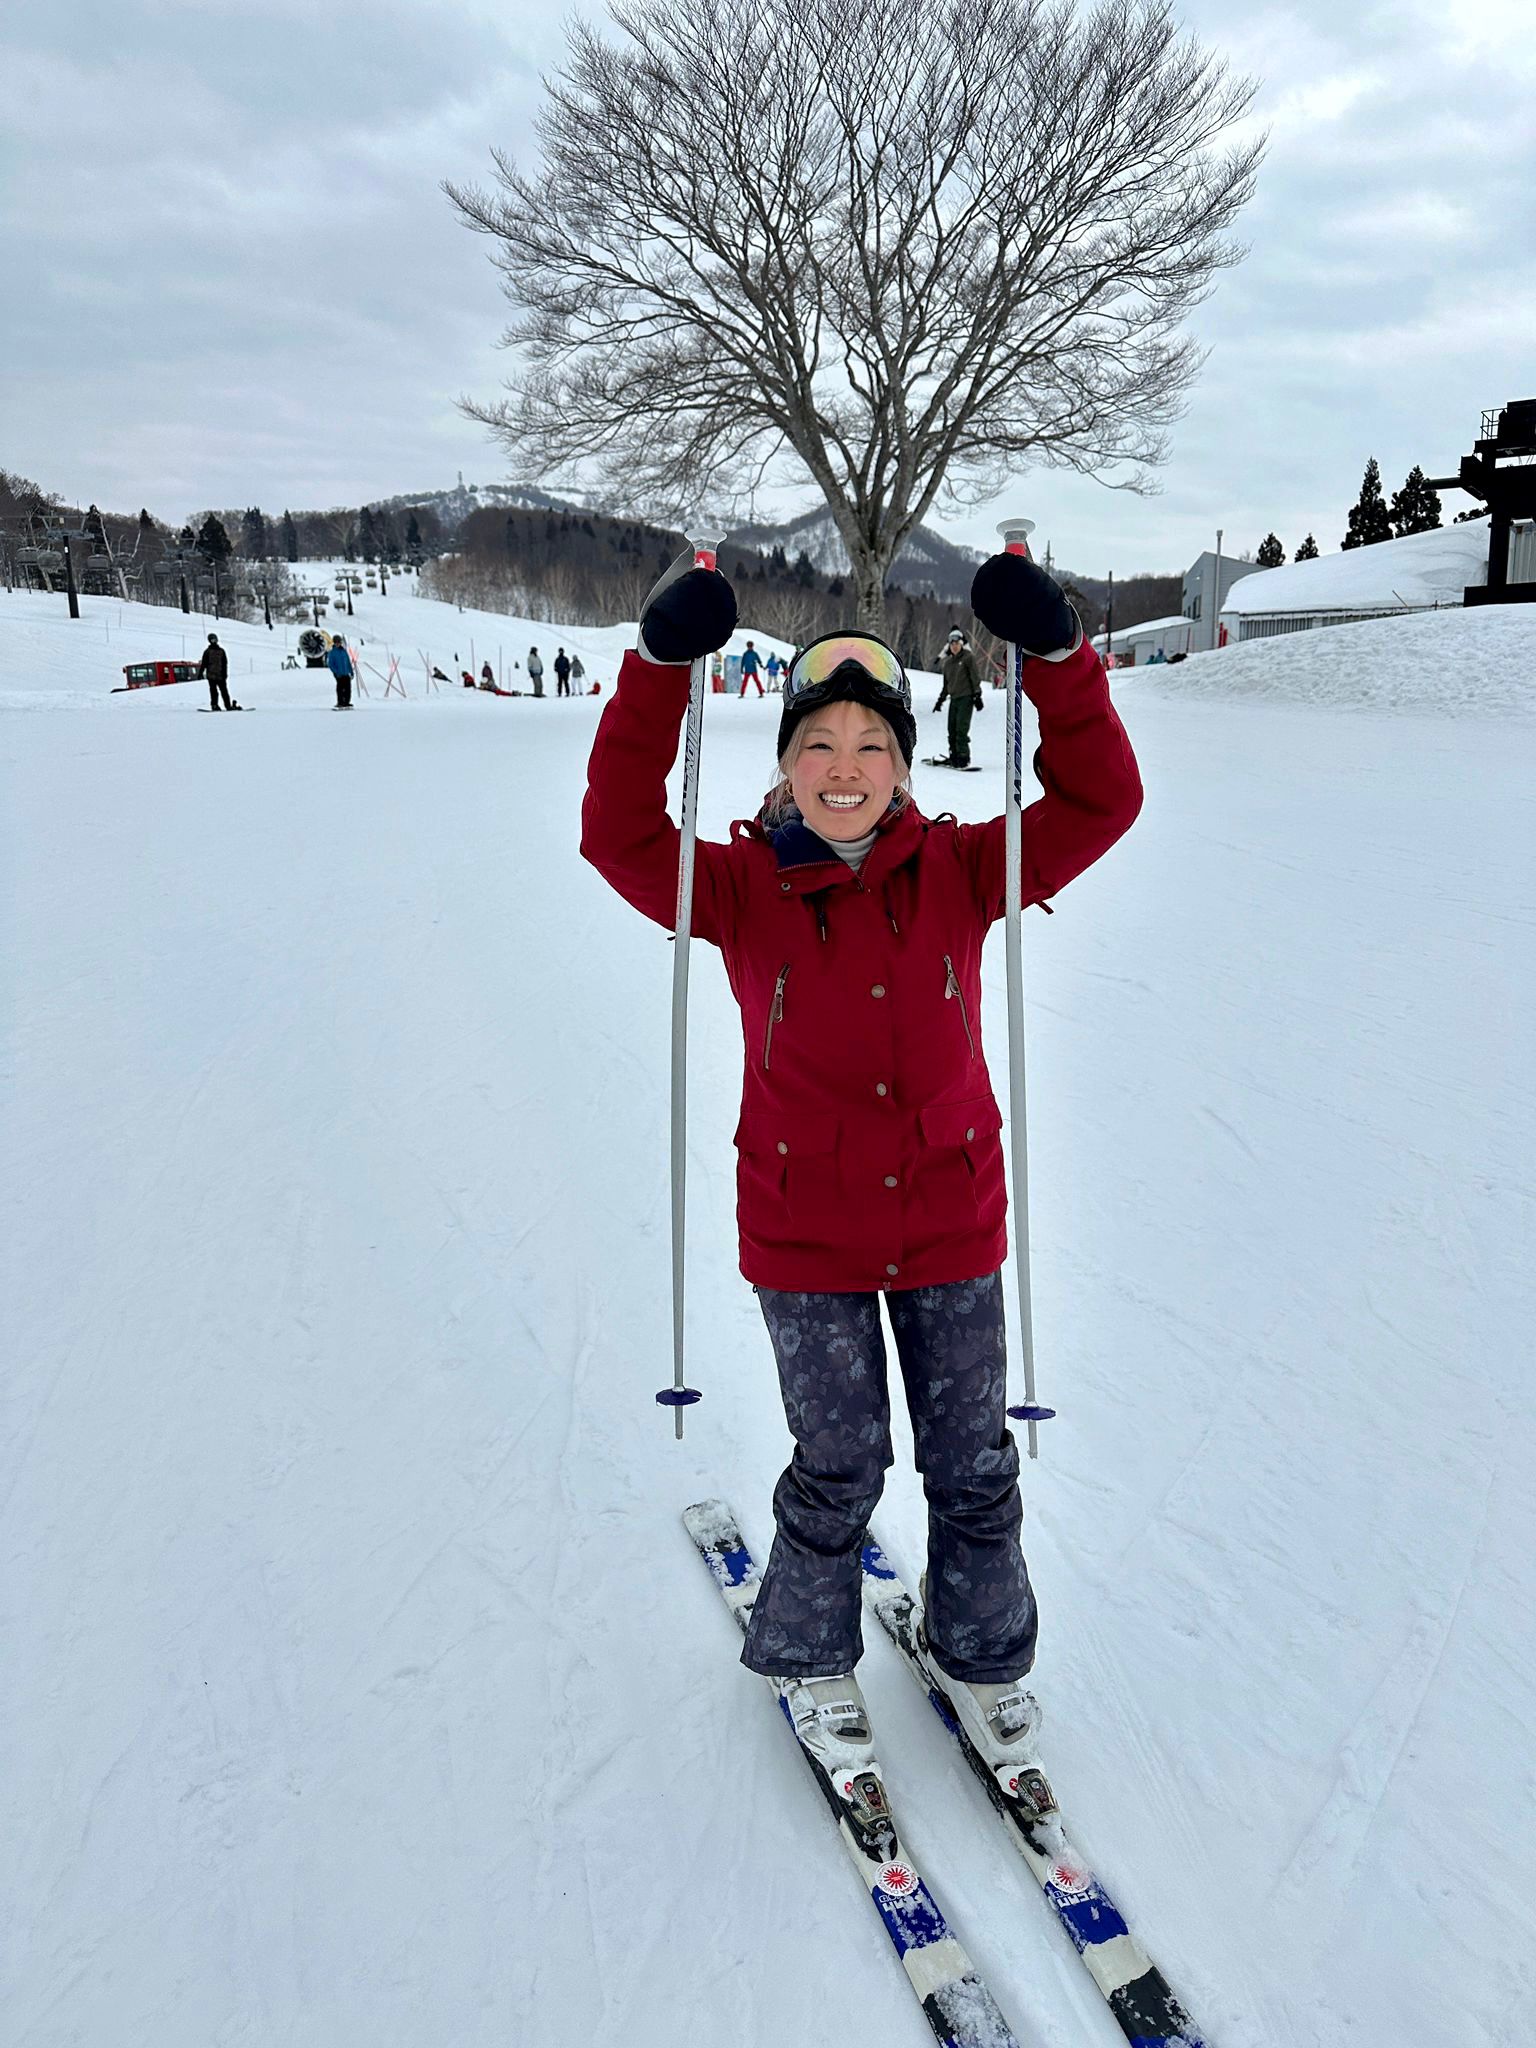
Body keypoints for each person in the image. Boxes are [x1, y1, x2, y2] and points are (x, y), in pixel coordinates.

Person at [581, 546, 1142, 1801]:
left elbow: (1102, 802)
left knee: (972, 1457)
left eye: (872, 745)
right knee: (839, 1461)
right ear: (783, 761)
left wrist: (1058, 660)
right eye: (819, 743)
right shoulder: (730, 887)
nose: (845, 767)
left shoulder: (960, 871)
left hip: (950, 1219)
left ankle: (984, 1654)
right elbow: (614, 832)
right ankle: (811, 1655)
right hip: (807, 1237)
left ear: (903, 763)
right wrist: (659, 670)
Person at [933, 628, 982, 767]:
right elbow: (946, 685)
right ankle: (954, 755)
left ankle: (963, 757)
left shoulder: (968, 657)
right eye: (952, 644)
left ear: (961, 644)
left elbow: (975, 677)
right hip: (954, 699)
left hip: (966, 698)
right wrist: (940, 701)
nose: (954, 646)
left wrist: (977, 695)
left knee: (961, 729)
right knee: (952, 729)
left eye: (957, 643)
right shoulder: (948, 663)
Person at [198, 632, 233, 711]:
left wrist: (225, 673)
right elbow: (204, 663)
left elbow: (225, 663)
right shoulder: (207, 652)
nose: (213, 641)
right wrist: (200, 673)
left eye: (214, 639)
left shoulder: (221, 651)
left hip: (221, 675)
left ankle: (228, 705)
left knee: (224, 691)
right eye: (212, 640)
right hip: (211, 675)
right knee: (213, 692)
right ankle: (214, 705)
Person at [326, 634, 355, 709]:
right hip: (339, 674)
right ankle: (340, 702)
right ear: (334, 643)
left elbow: (348, 662)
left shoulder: (344, 651)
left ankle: (347, 702)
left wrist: (351, 671)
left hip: (346, 673)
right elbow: (331, 664)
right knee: (340, 688)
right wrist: (336, 672)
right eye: (336, 642)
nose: (338, 644)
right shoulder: (332, 652)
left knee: (348, 688)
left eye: (339, 642)